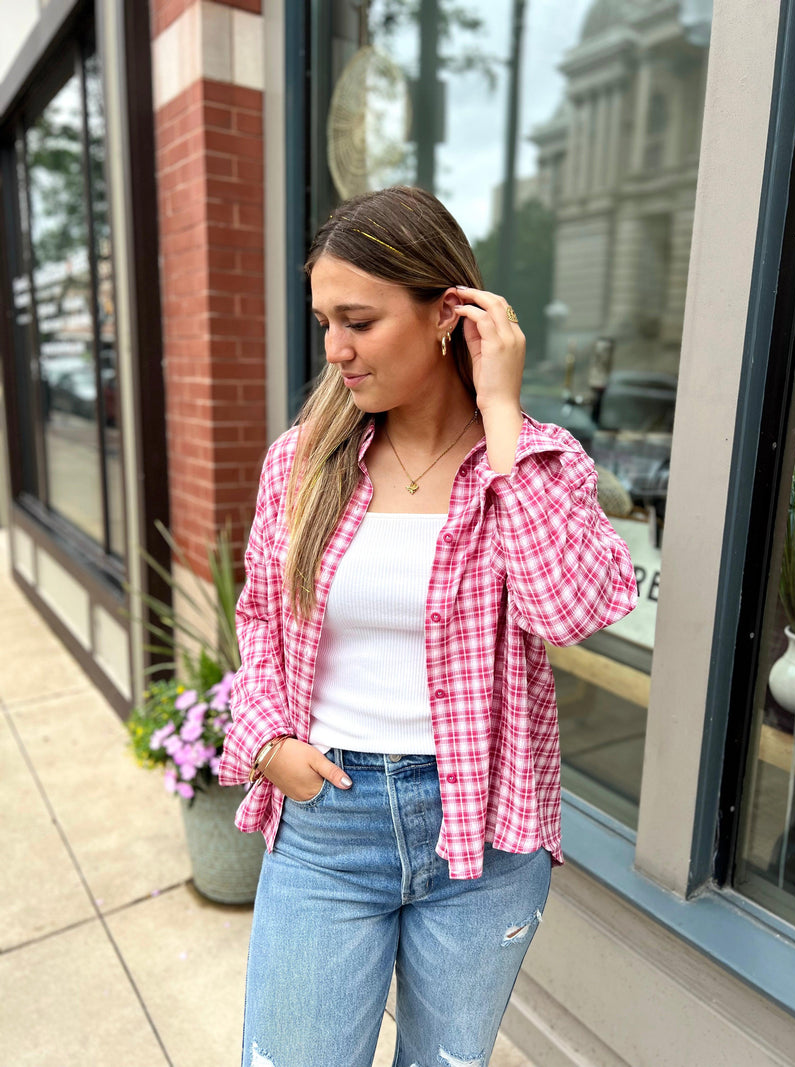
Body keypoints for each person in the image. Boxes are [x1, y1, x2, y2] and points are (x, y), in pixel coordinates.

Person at [219, 185, 638, 1067]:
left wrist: (500, 416)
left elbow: (568, 610)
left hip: (482, 836)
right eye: (326, 320)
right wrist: (265, 741)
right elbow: (259, 616)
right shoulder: (302, 462)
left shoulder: (537, 460)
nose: (335, 349)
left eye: (359, 321)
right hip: (329, 818)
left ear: (448, 312)